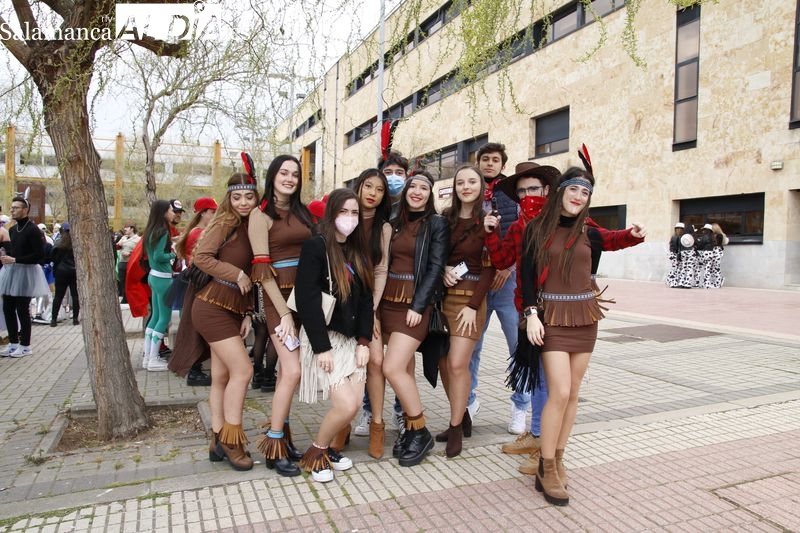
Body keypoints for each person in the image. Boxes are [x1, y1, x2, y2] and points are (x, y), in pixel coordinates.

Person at [520, 167, 607, 507]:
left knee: (573, 394)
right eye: (574, 190)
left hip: (585, 318)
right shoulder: (536, 230)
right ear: (560, 192)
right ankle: (545, 464)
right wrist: (530, 315)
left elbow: (591, 271)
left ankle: (557, 457)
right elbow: (527, 277)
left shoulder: (592, 233)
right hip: (551, 318)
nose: (578, 197)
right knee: (560, 390)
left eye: (585, 193)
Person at [294, 188, 374, 482]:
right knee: (347, 405)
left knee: (352, 405)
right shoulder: (316, 246)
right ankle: (315, 453)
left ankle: (326, 449)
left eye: (354, 213)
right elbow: (307, 300)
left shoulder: (359, 249)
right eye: (343, 212)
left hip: (353, 339)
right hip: (325, 337)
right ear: (331, 214)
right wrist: (321, 347)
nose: (349, 218)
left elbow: (367, 301)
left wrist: (365, 341)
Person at [249, 155, 315, 478]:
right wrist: (285, 313)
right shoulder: (259, 216)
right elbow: (262, 272)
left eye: (295, 174)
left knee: (283, 377)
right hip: (278, 302)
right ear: (272, 176)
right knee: (292, 370)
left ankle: (284, 439)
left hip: (307, 297)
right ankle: (273, 445)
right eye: (283, 173)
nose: (289, 178)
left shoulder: (303, 213)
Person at [380, 170, 449, 467]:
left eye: (424, 187)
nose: (417, 191)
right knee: (403, 370)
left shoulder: (436, 224)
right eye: (413, 186)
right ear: (406, 190)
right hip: (388, 303)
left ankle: (420, 431)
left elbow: (435, 267)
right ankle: (409, 428)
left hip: (414, 305)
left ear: (430, 193)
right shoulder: (394, 222)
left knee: (392, 367)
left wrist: (419, 305)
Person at [192, 173, 257, 471]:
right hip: (211, 307)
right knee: (243, 370)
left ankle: (217, 440)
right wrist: (236, 273)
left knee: (221, 377)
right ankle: (232, 439)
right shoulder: (224, 223)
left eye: (249, 196)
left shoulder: (252, 225)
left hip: (233, 309)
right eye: (237, 197)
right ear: (228, 199)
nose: (243, 202)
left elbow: (254, 276)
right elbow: (201, 258)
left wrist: (246, 313)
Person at [435, 165, 495, 457]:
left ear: (481, 186)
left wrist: (474, 306)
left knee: (459, 364)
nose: (466, 186)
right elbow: (434, 255)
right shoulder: (444, 220)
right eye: (461, 182)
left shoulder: (487, 221)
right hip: (443, 299)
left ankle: (456, 426)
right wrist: (443, 267)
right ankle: (462, 416)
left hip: (471, 301)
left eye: (472, 181)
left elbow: (490, 267)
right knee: (444, 363)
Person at [468, 142, 519, 431]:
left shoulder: (512, 195)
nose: (489, 164)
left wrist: (507, 267)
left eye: (495, 159)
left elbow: (522, 234)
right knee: (473, 345)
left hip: (508, 282)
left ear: (502, 163)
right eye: (485, 159)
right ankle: (470, 401)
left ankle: (520, 404)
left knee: (517, 346)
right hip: (478, 280)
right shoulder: (471, 193)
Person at [350, 169, 393, 458]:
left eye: (379, 190)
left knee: (376, 360)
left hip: (370, 303)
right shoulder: (344, 218)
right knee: (348, 362)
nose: (372, 193)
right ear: (359, 186)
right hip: (343, 302)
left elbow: (381, 269)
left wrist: (373, 309)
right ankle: (344, 420)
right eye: (368, 186)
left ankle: (377, 424)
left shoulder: (384, 228)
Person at [173, 197, 218, 386]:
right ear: (204, 213)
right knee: (195, 328)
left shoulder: (195, 232)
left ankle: (195, 368)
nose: (214, 215)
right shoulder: (199, 233)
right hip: (200, 284)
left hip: (197, 283)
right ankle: (193, 370)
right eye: (212, 212)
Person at [0, 196, 48, 358]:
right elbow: (14, 251)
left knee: (22, 309)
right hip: (12, 271)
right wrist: (6, 256)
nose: (12, 210)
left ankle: (25, 345)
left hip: (27, 272)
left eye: (16, 207)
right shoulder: (13, 230)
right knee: (7, 307)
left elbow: (39, 255)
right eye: (11, 207)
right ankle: (13, 343)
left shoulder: (33, 230)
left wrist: (16, 259)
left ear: (25, 210)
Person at [141, 200, 177, 372]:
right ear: (163, 212)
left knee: (155, 317)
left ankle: (148, 357)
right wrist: (173, 253)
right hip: (162, 278)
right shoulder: (162, 231)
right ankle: (153, 359)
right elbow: (159, 255)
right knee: (164, 318)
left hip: (154, 276)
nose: (173, 213)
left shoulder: (151, 230)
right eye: (171, 210)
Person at [49, 222, 79, 327]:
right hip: (74, 271)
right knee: (75, 295)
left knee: (58, 296)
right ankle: (75, 318)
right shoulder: (77, 243)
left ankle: (53, 319)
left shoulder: (58, 243)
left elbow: (52, 257)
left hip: (61, 272)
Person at [707, 223, 728, 288]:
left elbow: (716, 244)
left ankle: (717, 283)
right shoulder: (720, 235)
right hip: (717, 251)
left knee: (716, 268)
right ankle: (717, 282)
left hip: (716, 251)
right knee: (714, 268)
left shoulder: (718, 236)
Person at [665, 222, 684, 288]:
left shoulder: (673, 236)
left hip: (671, 253)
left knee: (673, 268)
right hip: (675, 254)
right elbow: (677, 248)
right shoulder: (678, 237)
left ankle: (669, 281)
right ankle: (673, 283)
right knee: (675, 269)